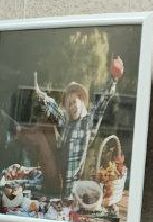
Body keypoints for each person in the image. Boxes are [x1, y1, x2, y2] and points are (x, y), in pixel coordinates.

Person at [32, 56, 124, 199]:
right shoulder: (66, 121)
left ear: (81, 100)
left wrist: (113, 79)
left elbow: (102, 102)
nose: (72, 107)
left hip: (71, 184)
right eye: (69, 104)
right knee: (44, 128)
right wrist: (41, 95)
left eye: (74, 102)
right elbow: (54, 108)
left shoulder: (87, 121)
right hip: (56, 175)